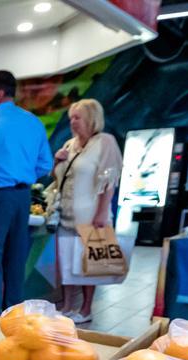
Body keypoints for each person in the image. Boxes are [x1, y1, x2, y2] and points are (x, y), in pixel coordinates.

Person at [0, 70, 52, 313]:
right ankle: (14, 317)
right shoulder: (34, 122)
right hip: (23, 198)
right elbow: (45, 165)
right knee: (16, 260)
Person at [50, 98, 124, 323]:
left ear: (91, 118)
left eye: (77, 117)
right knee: (65, 264)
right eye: (71, 117)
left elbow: (109, 181)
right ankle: (67, 306)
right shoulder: (69, 145)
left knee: (89, 265)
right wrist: (56, 162)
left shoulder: (105, 142)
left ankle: (85, 309)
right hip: (66, 215)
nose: (72, 122)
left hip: (91, 216)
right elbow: (57, 178)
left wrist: (102, 212)